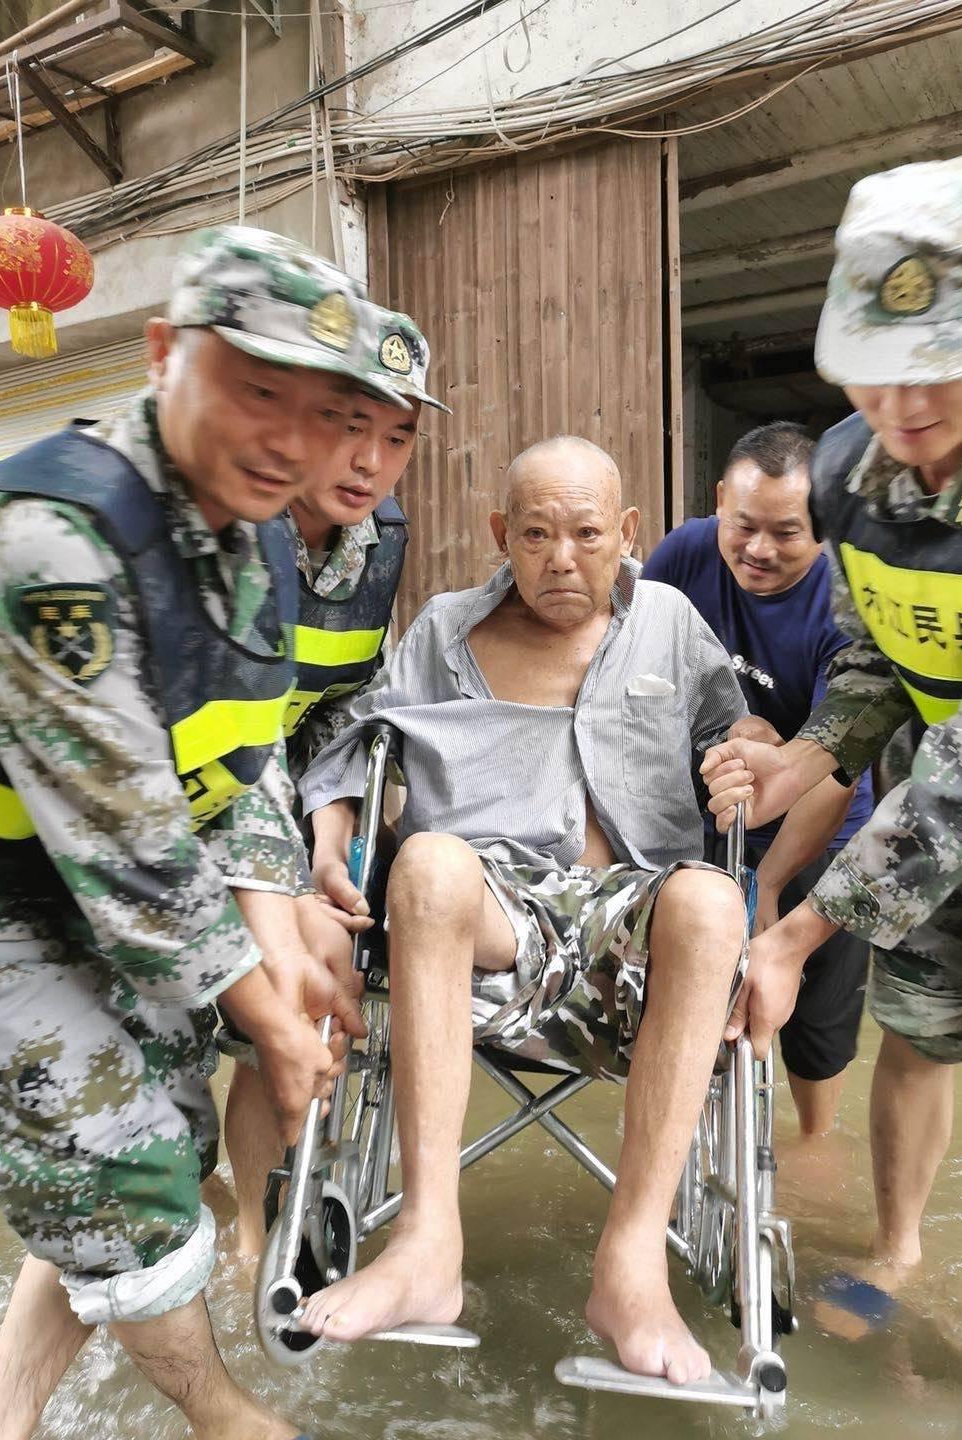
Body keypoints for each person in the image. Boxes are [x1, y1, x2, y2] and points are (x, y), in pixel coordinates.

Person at [0, 225, 388, 1440]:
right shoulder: (48, 540)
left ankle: (1, 1410)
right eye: (257, 390)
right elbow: (138, 853)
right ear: (163, 355)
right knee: (130, 1178)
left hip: (96, 878)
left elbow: (233, 767)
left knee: (160, 1137)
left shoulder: (256, 537)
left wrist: (283, 915)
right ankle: (220, 1411)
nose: (291, 441)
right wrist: (267, 1008)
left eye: (325, 413)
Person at [296, 434, 749, 1385]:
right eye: (536, 534)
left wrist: (755, 752)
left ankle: (630, 1268)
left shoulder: (668, 620)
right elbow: (353, 741)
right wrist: (327, 852)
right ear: (502, 534)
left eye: (587, 533)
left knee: (711, 900)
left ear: (627, 532)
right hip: (489, 919)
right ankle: (427, 1245)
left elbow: (738, 731)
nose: (561, 558)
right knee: (424, 864)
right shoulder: (445, 630)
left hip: (630, 922)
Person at [701, 154, 962, 1335]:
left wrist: (797, 930)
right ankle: (898, 1253)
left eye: (938, 371)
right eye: (873, 375)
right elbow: (874, 651)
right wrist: (812, 755)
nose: (903, 413)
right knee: (923, 1022)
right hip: (927, 804)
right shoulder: (847, 470)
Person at [223, 306, 450, 1256]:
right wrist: (291, 875)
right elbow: (240, 734)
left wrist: (332, 829)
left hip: (276, 802)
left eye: (397, 437)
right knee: (255, 999)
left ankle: (261, 1220)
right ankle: (230, 1221)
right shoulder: (234, 529)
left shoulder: (380, 538)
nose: (370, 462)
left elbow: (342, 707)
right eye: (351, 427)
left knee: (295, 1005)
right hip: (198, 798)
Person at [643, 422, 874, 1138]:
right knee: (697, 1006)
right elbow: (632, 670)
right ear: (719, 503)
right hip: (711, 810)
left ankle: (814, 1144)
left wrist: (768, 885)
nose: (759, 550)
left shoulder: (848, 602)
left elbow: (834, 768)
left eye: (786, 532)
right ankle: (694, 1135)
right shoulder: (684, 553)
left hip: (824, 828)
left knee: (815, 1035)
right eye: (743, 526)